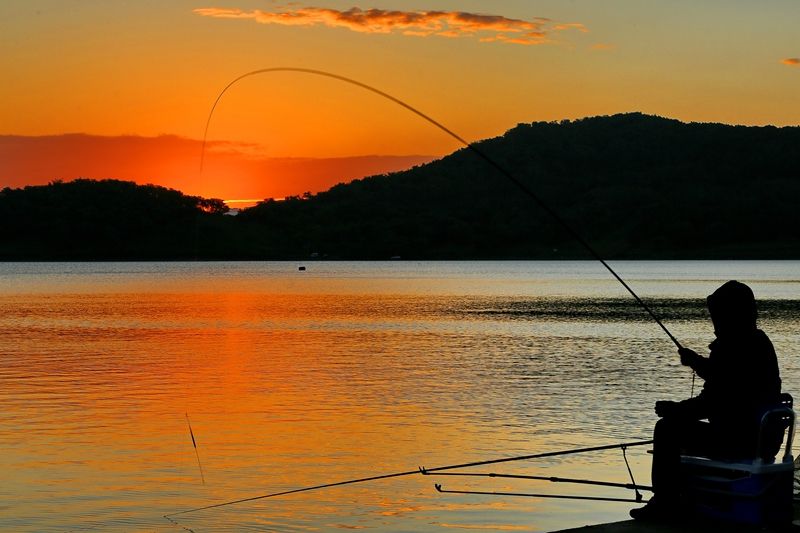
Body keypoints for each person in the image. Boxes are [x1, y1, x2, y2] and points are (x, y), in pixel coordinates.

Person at [630, 280, 782, 521]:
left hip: (739, 440)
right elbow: (723, 377)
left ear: (731, 314)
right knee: (675, 424)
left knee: (667, 429)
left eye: (718, 315)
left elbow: (713, 401)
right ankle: (679, 496)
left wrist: (676, 410)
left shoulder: (732, 347)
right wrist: (695, 361)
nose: (714, 323)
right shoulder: (757, 342)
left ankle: (666, 502)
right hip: (762, 440)